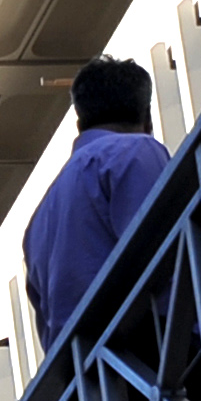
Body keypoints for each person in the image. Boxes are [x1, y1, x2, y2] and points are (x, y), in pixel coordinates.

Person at [22, 59, 174, 345]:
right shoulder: (135, 150)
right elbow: (164, 255)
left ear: (80, 123)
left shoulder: (40, 218)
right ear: (147, 117)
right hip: (151, 348)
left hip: (85, 366)